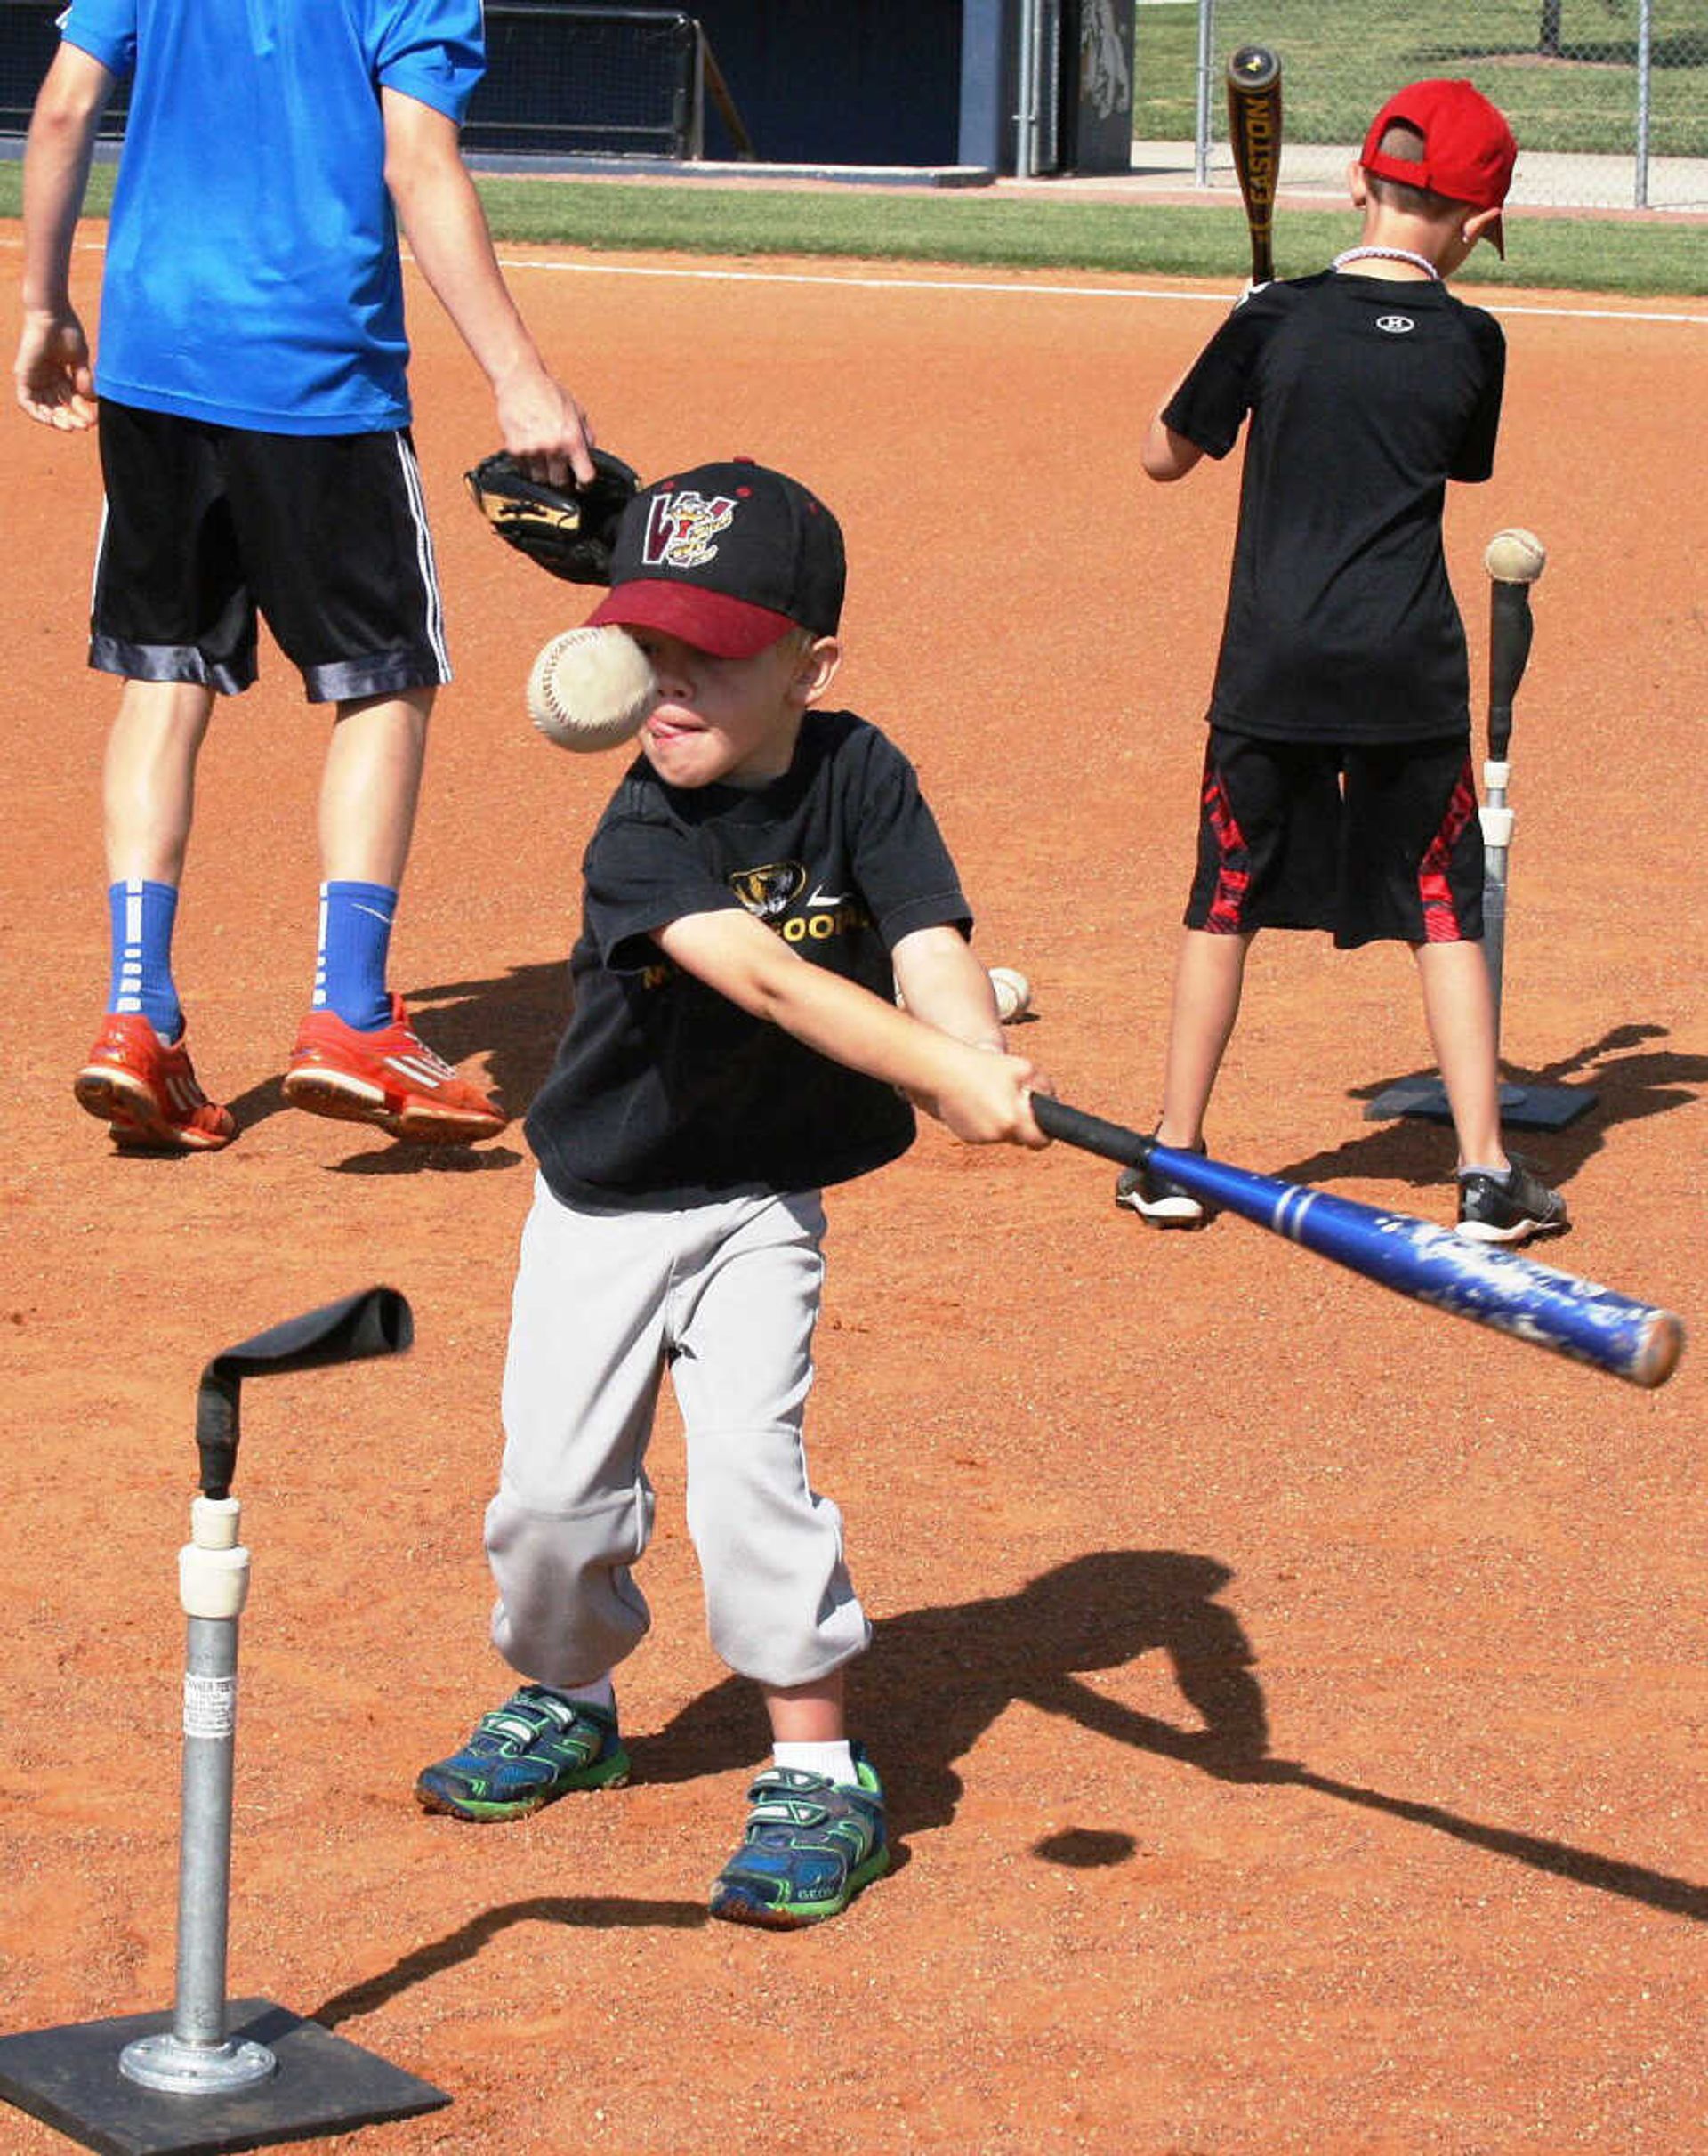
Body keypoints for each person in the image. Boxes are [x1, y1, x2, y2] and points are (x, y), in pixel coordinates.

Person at [415, 458, 1049, 1927]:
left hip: (764, 1197)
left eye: (719, 648)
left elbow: (929, 932)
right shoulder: (641, 834)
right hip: (610, 1199)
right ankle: (567, 1695)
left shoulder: (862, 768)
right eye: (650, 645)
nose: (672, 681)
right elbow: (761, 975)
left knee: (755, 1471)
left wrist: (972, 1048)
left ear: (812, 665)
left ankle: (822, 1770)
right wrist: (930, 1071)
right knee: (554, 1504)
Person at [14, 0, 597, 1152]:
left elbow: (66, 104)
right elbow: (417, 160)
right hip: (314, 370)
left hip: (154, 353)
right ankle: (350, 1012)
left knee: (164, 678)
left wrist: (42, 305)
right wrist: (519, 373)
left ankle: (136, 1017)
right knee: (384, 681)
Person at [1119, 77, 1567, 1247]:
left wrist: (1239, 324)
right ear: (1471, 228)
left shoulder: (1275, 320)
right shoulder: (1476, 339)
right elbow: (1455, 462)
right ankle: (1482, 1174)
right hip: (1406, 668)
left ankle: (1173, 1155)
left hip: (1271, 660)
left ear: (1359, 184)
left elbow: (1164, 454)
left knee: (1224, 896)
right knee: (1443, 904)